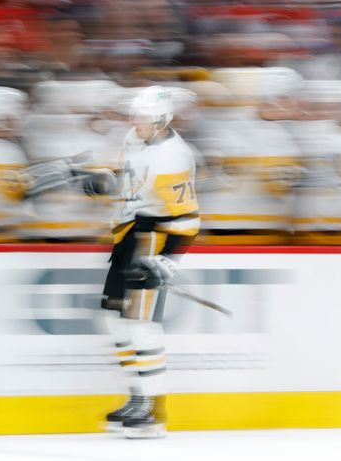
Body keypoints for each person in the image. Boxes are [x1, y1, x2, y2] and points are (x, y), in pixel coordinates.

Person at [101, 86, 200, 439]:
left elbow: (188, 219)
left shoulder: (173, 156)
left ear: (161, 120)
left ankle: (153, 409)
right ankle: (136, 396)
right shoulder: (134, 138)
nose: (134, 121)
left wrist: (167, 260)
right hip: (127, 238)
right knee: (115, 321)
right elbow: (131, 183)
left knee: (140, 325)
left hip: (152, 238)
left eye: (142, 116)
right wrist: (102, 183)